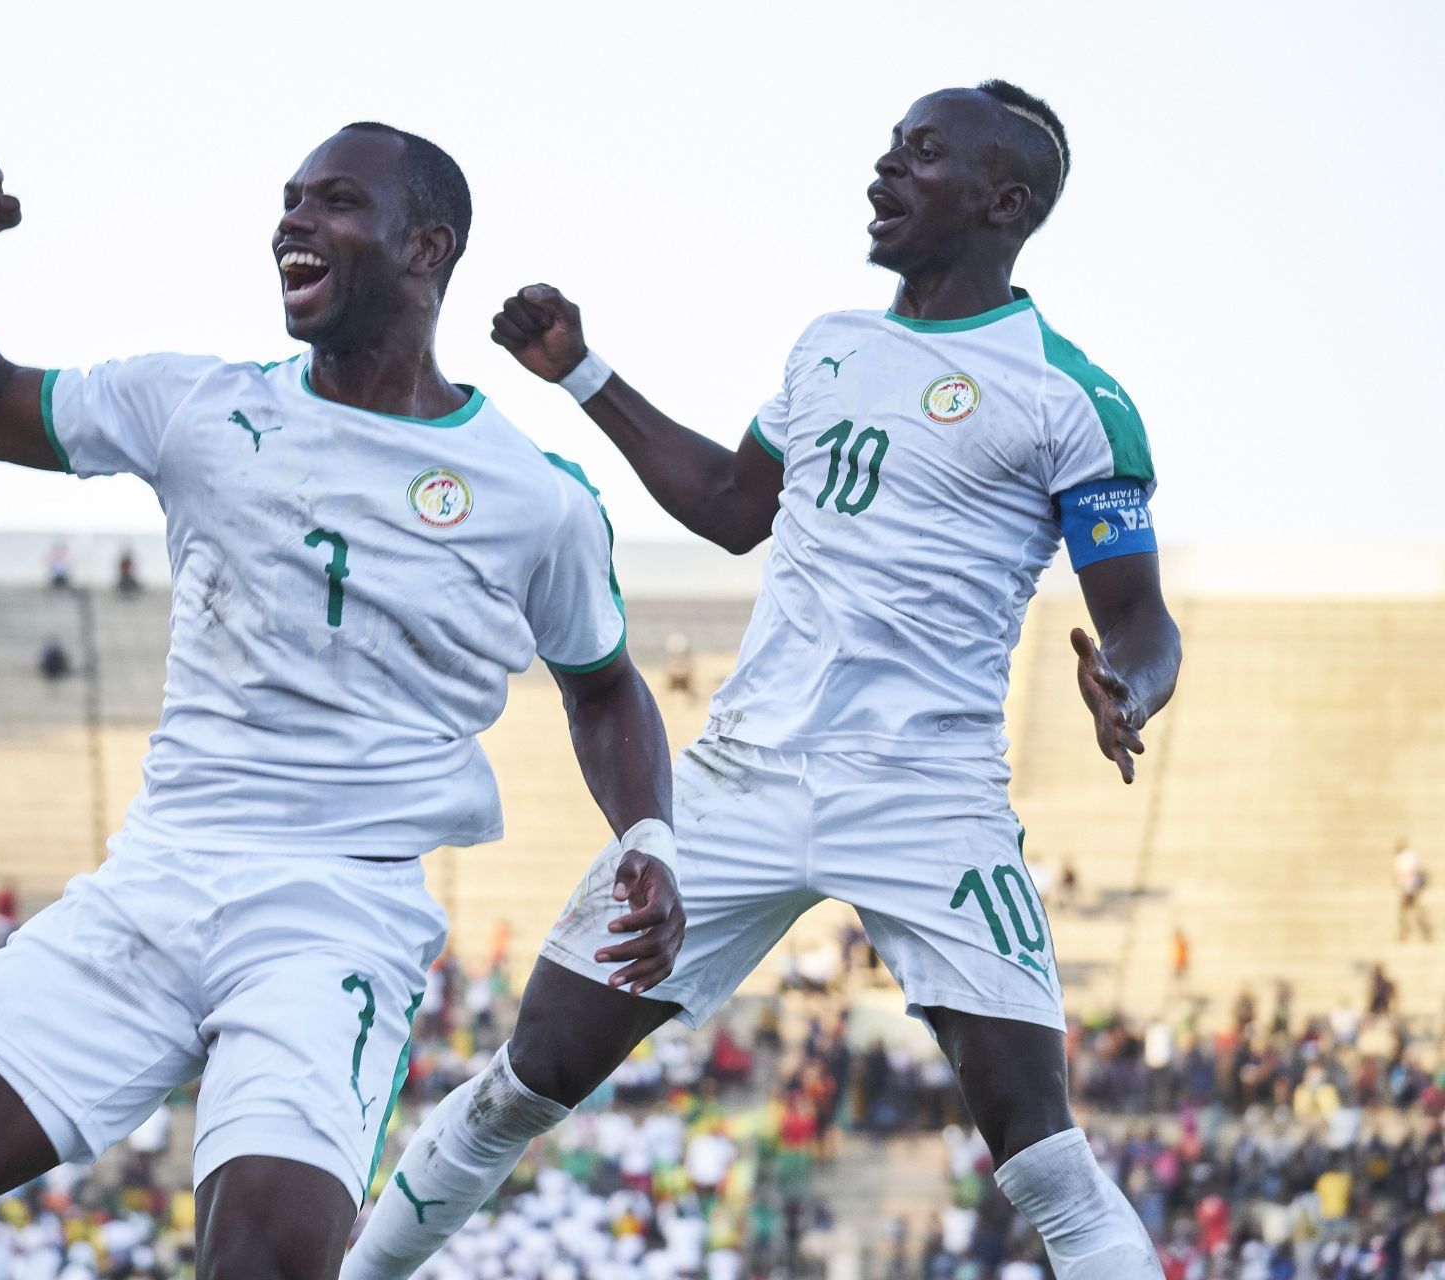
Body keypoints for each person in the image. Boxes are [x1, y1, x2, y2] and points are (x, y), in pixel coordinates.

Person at [0, 124, 682, 1280]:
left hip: (334, 921)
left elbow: (605, 685)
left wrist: (650, 833)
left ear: (427, 246)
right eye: (290, 200)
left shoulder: (541, 500)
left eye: (335, 203)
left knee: (260, 1263)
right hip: (159, 879)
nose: (293, 223)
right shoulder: (196, 408)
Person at [349, 81, 1181, 1280]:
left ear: (1004, 202)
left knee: (1045, 1157)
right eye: (891, 148)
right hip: (740, 777)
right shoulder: (829, 345)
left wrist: (1130, 686)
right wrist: (583, 372)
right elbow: (736, 508)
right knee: (519, 1084)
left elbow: (1144, 626)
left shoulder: (1070, 397)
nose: (883, 171)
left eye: (922, 155)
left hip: (927, 796)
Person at [1393, 837, 1430, 942]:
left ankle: (1406, 934)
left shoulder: (1406, 857)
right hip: (1409, 887)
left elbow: (1410, 873)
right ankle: (1410, 933)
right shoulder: (1407, 856)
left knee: (1409, 912)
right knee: (1412, 911)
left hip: (1409, 888)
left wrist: (1409, 888)